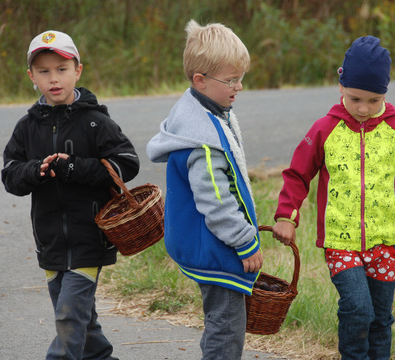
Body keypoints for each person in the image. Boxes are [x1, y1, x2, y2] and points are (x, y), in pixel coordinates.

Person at [272, 36, 395, 360]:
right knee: (358, 308)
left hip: (385, 243)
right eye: (355, 98)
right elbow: (297, 174)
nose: (363, 108)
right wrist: (285, 215)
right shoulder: (324, 130)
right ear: (340, 87)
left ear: (386, 93)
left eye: (374, 100)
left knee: (381, 318)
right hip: (340, 242)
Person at [1, 30, 139, 360]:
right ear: (31, 76)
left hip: (89, 239)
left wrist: (74, 168)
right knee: (82, 322)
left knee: (67, 317)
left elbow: (127, 163)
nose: (54, 79)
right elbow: (10, 175)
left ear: (78, 70)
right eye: (44, 71)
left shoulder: (95, 122)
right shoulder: (26, 127)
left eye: (61, 69)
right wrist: (37, 171)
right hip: (50, 242)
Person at [146, 20, 263, 360]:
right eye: (231, 80)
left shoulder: (208, 111)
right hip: (215, 247)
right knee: (225, 330)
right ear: (200, 80)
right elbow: (215, 200)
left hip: (208, 243)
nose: (239, 87)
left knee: (224, 324)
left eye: (240, 78)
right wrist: (245, 241)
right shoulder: (202, 139)